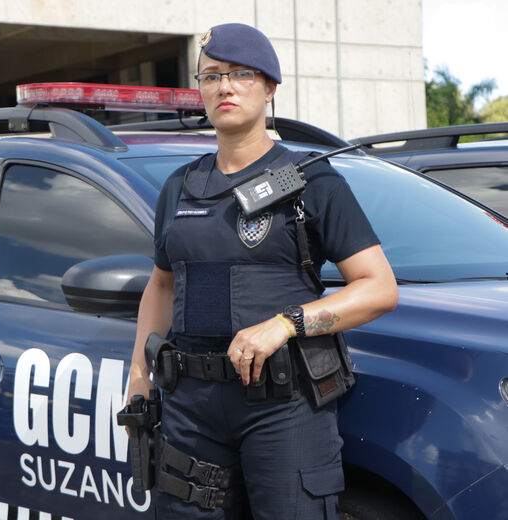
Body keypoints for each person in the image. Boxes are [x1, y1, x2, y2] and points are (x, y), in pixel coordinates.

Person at [126, 23, 399, 520]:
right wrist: (139, 378)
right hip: (190, 410)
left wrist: (284, 324)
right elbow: (162, 285)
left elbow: (378, 288)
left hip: (283, 408)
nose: (224, 87)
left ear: (270, 87)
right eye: (211, 76)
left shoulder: (312, 182)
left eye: (240, 74)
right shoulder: (179, 187)